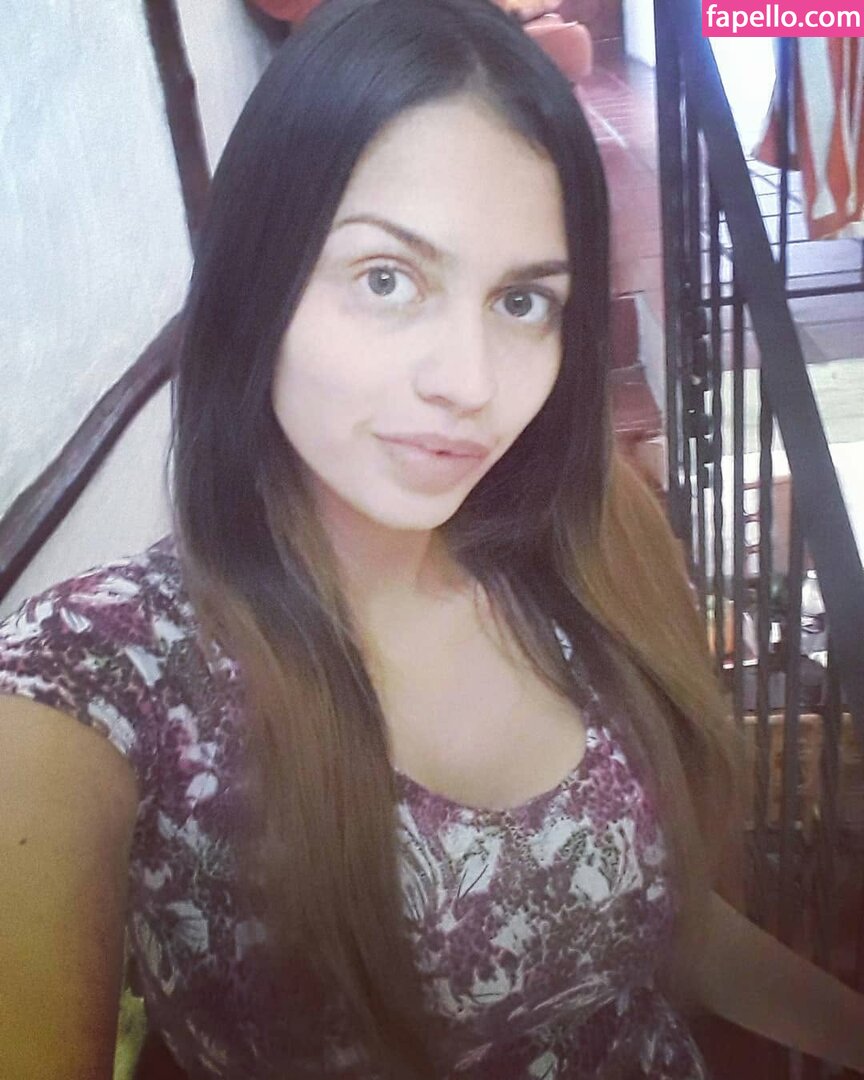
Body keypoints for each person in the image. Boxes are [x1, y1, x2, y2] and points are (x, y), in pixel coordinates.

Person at [0, 1, 862, 1077]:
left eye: (522, 302)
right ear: (255, 280)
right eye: (386, 279)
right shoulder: (101, 672)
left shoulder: (591, 538)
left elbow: (660, 922)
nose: (469, 384)